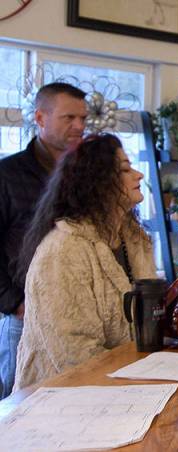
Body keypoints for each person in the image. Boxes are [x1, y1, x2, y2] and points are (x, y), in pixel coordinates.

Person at [14, 134, 155, 390]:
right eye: (125, 169)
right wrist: (137, 379)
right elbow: (74, 352)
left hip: (127, 386)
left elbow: (148, 322)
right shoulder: (63, 250)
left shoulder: (135, 239)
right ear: (97, 183)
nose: (138, 175)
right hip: (61, 400)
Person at [0, 82, 86, 398]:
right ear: (40, 118)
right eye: (69, 118)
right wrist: (13, 303)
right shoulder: (7, 174)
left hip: (76, 315)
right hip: (25, 317)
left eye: (83, 118)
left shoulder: (84, 175)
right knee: (17, 414)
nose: (79, 126)